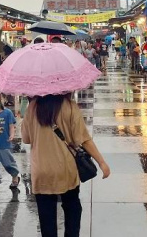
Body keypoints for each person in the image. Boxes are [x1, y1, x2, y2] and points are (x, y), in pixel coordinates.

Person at [22, 94, 110, 237]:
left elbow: (26, 138)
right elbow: (83, 139)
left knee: (46, 218)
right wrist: (101, 162)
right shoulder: (69, 105)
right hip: (65, 169)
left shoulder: (32, 107)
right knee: (72, 208)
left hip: (41, 171)